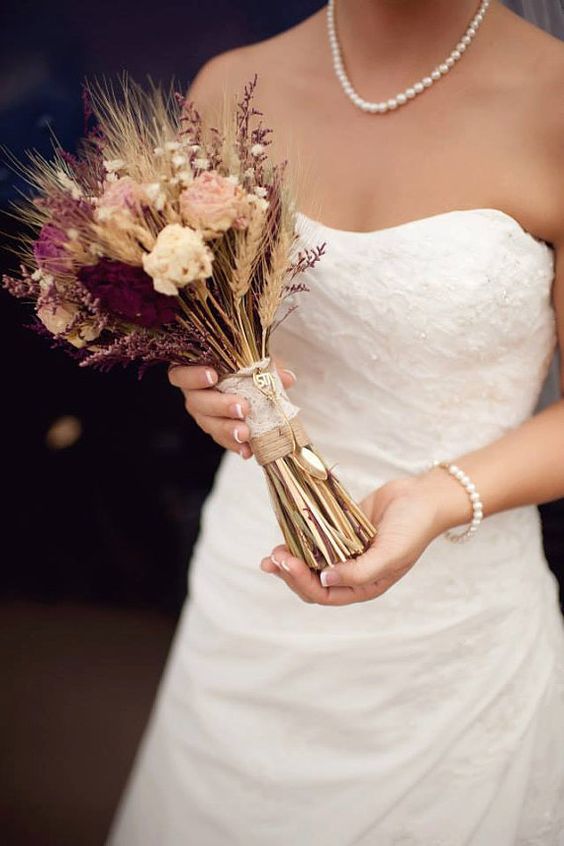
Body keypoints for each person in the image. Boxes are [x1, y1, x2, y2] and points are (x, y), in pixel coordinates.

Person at [108, 1, 564, 842]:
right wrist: (205, 387)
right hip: (253, 596)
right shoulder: (229, 89)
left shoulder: (553, 102)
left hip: (457, 623)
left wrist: (439, 497)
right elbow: (202, 327)